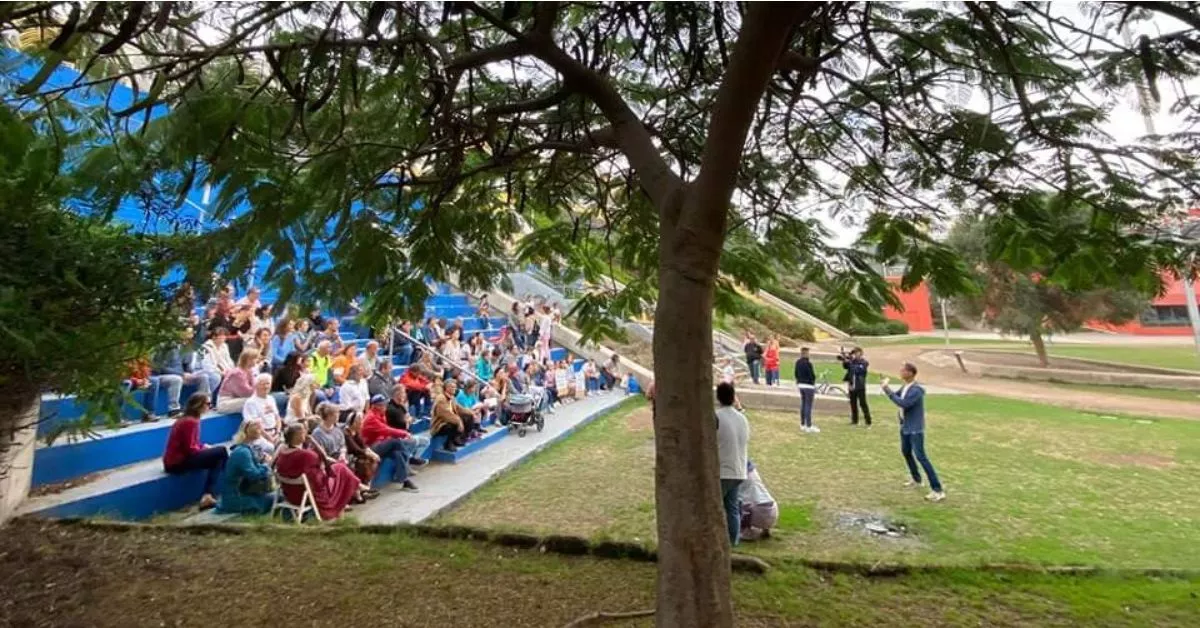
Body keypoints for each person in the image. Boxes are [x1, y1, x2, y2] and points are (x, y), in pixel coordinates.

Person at [882, 362, 945, 502]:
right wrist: (887, 388)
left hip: (915, 429)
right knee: (906, 452)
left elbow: (903, 403)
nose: (900, 372)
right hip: (905, 426)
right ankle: (917, 479)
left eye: (903, 370)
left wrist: (886, 388)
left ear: (910, 373)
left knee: (921, 457)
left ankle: (937, 490)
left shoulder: (916, 390)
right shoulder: (906, 387)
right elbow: (896, 397)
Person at [274, 423, 361, 520]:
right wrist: (313, 441)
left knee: (339, 468)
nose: (307, 433)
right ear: (298, 436)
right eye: (304, 432)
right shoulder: (305, 455)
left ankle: (358, 488)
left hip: (290, 495)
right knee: (341, 471)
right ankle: (355, 491)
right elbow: (323, 463)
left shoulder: (282, 452)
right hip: (308, 495)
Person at [162, 392, 227, 510]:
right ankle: (232, 484)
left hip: (179, 459)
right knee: (221, 451)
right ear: (198, 405)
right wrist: (204, 449)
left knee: (218, 460)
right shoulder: (190, 422)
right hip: (177, 463)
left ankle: (208, 495)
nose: (210, 406)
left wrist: (203, 448)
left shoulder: (188, 419)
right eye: (207, 403)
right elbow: (190, 449)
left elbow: (191, 445)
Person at [360, 394, 421, 491]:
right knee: (396, 442)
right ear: (376, 406)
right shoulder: (371, 418)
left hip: (380, 443)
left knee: (398, 453)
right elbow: (386, 430)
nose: (385, 406)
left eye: (385, 404)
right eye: (382, 404)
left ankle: (404, 481)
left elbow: (385, 433)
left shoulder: (381, 415)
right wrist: (404, 434)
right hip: (369, 447)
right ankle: (410, 458)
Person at [715, 382, 750, 546]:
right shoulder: (742, 418)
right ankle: (732, 542)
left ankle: (715, 541)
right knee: (732, 508)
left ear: (718, 398)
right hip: (739, 469)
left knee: (714, 508)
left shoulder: (716, 416)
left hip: (723, 470)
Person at [215, 420, 274, 515]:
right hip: (236, 497)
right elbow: (254, 475)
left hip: (241, 492)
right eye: (258, 428)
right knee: (274, 499)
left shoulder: (245, 448)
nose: (261, 431)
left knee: (273, 497)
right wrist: (266, 465)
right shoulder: (242, 452)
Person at [241, 373, 283, 456]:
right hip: (260, 435)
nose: (266, 386)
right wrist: (269, 437)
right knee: (271, 448)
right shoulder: (251, 402)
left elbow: (277, 418)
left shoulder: (271, 399)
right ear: (256, 386)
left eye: (268, 383)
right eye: (262, 384)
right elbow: (254, 426)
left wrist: (278, 433)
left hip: (275, 432)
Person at [432, 379, 478, 452]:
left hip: (450, 419)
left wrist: (471, 413)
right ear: (446, 388)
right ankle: (448, 443)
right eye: (451, 387)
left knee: (468, 417)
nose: (454, 388)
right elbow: (446, 415)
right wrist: (459, 421)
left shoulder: (452, 397)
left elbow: (459, 408)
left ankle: (461, 438)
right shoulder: (441, 398)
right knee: (452, 424)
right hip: (440, 424)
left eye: (455, 387)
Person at [739, 461, 779, 541]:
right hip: (773, 511)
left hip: (755, 513)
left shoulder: (739, 475)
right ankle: (765, 529)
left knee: (736, 503)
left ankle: (747, 531)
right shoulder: (753, 473)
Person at [342, 411, 381, 486]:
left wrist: (373, 453)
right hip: (349, 455)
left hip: (357, 453)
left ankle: (367, 482)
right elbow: (354, 449)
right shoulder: (346, 433)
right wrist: (369, 454)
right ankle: (363, 484)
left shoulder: (356, 432)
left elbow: (363, 445)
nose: (361, 424)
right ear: (353, 423)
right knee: (365, 462)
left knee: (374, 460)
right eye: (358, 422)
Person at [214, 349, 260, 413]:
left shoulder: (249, 371)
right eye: (255, 358)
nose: (257, 361)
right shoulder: (237, 373)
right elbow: (246, 393)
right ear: (248, 360)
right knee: (254, 402)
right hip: (225, 402)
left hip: (236, 399)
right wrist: (258, 386)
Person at [838, 347, 872, 427]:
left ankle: (868, 421)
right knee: (853, 404)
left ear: (861, 353)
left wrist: (850, 363)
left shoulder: (864, 362)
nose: (855, 354)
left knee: (863, 404)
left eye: (857, 352)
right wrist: (844, 360)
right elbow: (846, 366)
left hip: (860, 386)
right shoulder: (852, 361)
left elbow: (858, 370)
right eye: (854, 353)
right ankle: (854, 420)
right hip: (852, 385)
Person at [794, 347, 818, 433]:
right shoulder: (808, 363)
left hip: (801, 384)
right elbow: (811, 375)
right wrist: (813, 381)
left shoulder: (798, 362)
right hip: (808, 385)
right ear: (806, 353)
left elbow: (796, 373)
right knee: (808, 405)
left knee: (803, 404)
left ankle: (802, 424)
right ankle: (809, 425)